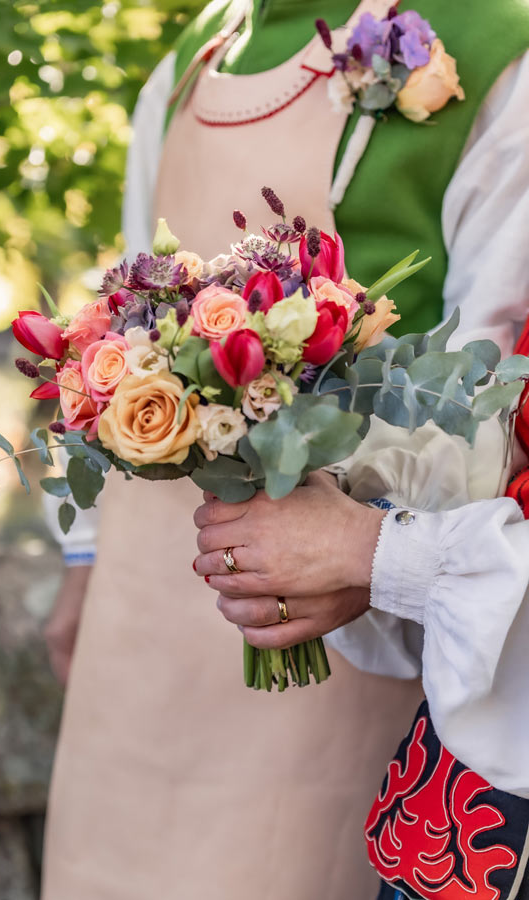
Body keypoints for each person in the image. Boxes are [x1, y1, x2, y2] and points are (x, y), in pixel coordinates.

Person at [41, 1, 529, 898]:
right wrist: (82, 559)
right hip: (144, 600)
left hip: (338, 597)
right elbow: (125, 285)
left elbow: (490, 382)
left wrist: (367, 547)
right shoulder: (200, 48)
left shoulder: (496, 44)